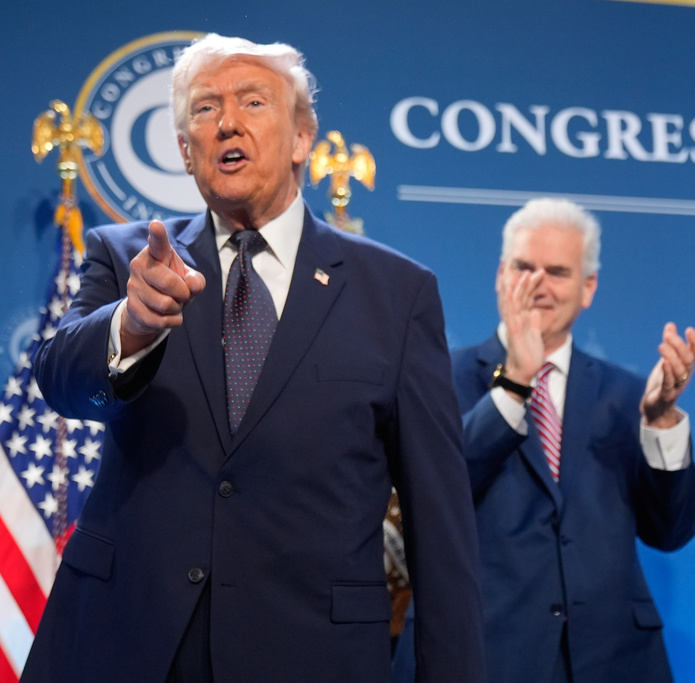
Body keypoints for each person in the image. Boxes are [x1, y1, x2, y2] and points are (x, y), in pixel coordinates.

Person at [23, 34, 484, 683]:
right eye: (206, 110)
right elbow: (61, 383)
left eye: (252, 102)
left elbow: (440, 529)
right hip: (126, 641)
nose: (228, 123)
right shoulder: (128, 259)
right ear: (186, 152)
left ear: (301, 138)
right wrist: (129, 326)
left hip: (309, 654)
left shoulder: (398, 294)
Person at [401, 197, 695, 683]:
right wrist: (516, 381)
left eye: (558, 272)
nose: (538, 283)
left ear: (588, 288)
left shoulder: (629, 396)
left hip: (614, 661)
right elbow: (435, 498)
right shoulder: (435, 375)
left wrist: (661, 421)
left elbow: (671, 531)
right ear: (501, 275)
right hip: (481, 654)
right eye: (524, 267)